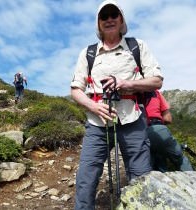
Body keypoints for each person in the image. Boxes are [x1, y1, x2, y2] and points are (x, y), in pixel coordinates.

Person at [70, 1, 163, 209]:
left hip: (132, 118)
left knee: (141, 176)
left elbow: (157, 80)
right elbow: (76, 89)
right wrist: (93, 107)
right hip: (97, 123)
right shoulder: (88, 53)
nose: (109, 19)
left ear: (121, 20)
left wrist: (127, 83)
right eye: (104, 16)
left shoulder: (137, 47)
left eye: (114, 14)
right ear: (98, 22)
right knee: (86, 177)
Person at [145, 90, 193, 172]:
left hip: (136, 133)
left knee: (149, 165)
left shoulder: (130, 91)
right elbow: (168, 119)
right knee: (180, 158)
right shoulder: (155, 92)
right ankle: (193, 182)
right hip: (156, 128)